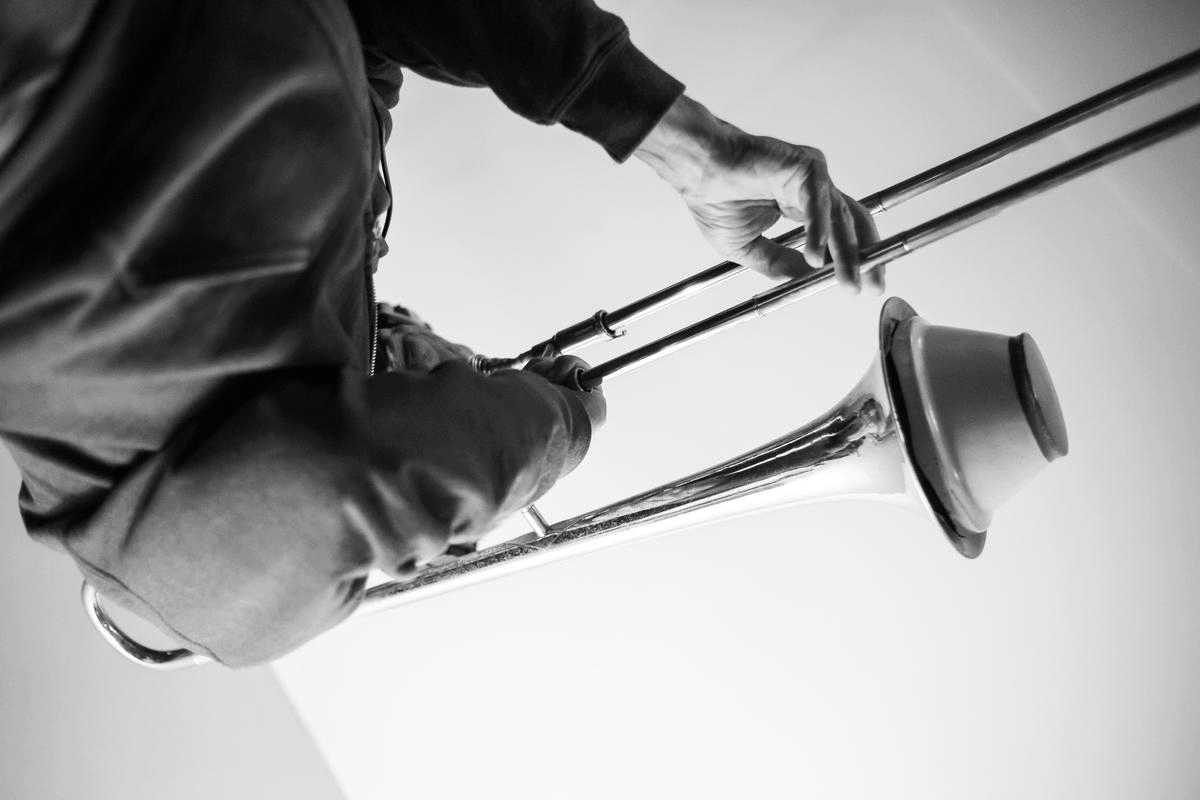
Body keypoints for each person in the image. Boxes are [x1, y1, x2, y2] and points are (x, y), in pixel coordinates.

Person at [0, 0, 879, 666]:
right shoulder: (323, 250)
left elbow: (327, 482)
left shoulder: (162, 592)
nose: (471, 364)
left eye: (470, 372)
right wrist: (691, 147)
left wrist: (555, 427)